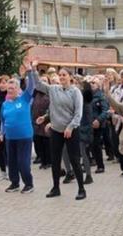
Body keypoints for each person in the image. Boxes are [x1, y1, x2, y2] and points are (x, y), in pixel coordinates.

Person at [35, 64, 86, 200]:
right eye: (60, 75)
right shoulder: (53, 89)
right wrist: (32, 69)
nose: (62, 77)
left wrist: (70, 127)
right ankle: (55, 187)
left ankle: (81, 188)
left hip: (71, 131)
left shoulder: (75, 92)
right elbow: (38, 85)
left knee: (74, 160)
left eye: (64, 75)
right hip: (56, 130)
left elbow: (78, 114)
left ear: (70, 77)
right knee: (55, 159)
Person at [0, 61, 37, 194]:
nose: (9, 90)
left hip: (24, 136)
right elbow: (3, 120)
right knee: (12, 162)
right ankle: (14, 183)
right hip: (10, 137)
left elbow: (32, 86)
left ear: (18, 88)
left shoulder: (24, 99)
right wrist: (0, 134)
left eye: (12, 88)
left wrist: (30, 71)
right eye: (8, 88)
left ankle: (29, 184)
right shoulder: (5, 104)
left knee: (23, 162)